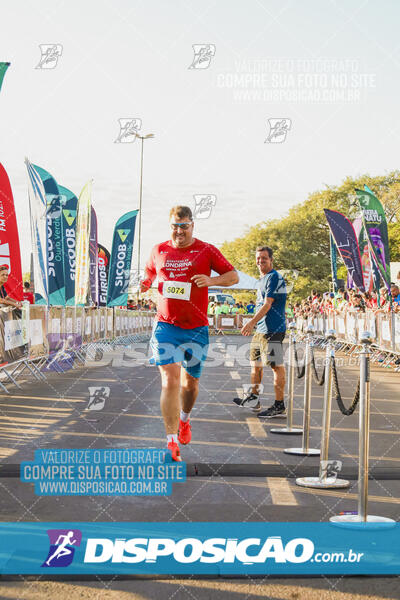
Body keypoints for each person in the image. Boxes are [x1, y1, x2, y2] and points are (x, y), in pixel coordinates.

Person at [140, 206, 238, 461]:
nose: (179, 231)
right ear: (169, 225)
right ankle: (171, 441)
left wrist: (212, 281)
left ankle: (185, 419)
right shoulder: (159, 249)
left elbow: (233, 276)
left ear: (192, 225)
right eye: (175, 225)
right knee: (169, 381)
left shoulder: (206, 250)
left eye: (184, 226)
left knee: (189, 384)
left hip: (196, 327)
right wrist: (144, 282)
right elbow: (149, 271)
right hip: (166, 326)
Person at [233, 246, 287, 417]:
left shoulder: (274, 278)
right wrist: (255, 325)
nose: (260, 261)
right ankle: (253, 399)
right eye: (258, 258)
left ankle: (279, 405)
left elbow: (267, 304)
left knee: (275, 366)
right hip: (261, 329)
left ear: (271, 260)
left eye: (264, 258)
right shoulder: (262, 278)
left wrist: (251, 322)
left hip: (273, 329)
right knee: (255, 365)